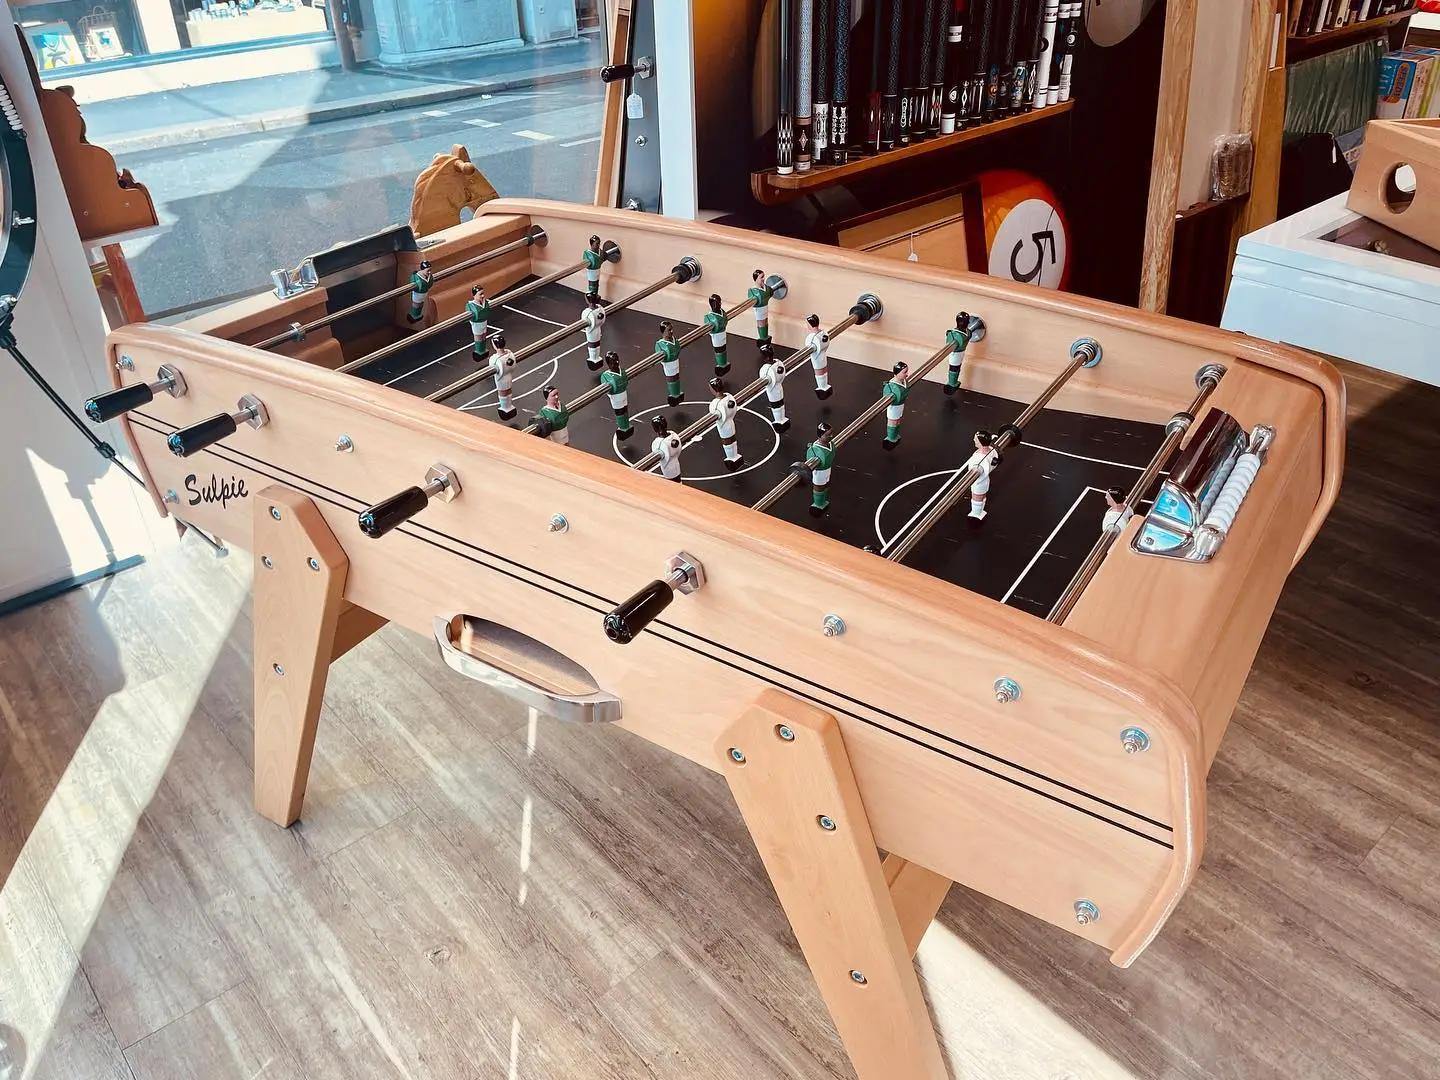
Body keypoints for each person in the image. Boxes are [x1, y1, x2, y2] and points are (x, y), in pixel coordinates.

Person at [707, 377, 745, 471]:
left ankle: (731, 458)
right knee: (732, 439)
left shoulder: (715, 404)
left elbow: (712, 412)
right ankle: (734, 456)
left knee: (727, 440)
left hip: (723, 425)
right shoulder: (729, 396)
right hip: (730, 421)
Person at [966, 430, 1001, 520]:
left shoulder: (980, 459)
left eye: (975, 439)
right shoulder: (992, 451)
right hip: (984, 480)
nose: (974, 440)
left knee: (977, 498)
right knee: (981, 497)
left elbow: (979, 468)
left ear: (981, 442)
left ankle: (976, 514)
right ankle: (979, 511)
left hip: (979, 482)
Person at [757, 341, 790, 432]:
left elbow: (762, 377)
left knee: (776, 404)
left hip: (773, 389)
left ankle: (779, 420)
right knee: (780, 403)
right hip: (779, 386)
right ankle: (781, 418)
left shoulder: (766, 369)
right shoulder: (778, 363)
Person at [599, 350, 633, 440]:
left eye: (617, 360)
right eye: (613, 361)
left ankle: (626, 425)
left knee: (625, 410)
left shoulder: (621, 371)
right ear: (609, 363)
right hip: (616, 397)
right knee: (620, 412)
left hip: (623, 394)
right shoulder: (607, 376)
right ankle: (623, 427)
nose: (616, 362)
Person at [881, 361, 910, 450]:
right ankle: (891, 438)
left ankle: (895, 435)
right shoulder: (891, 386)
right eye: (904, 372)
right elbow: (886, 397)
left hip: (900, 405)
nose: (907, 374)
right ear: (897, 373)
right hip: (893, 407)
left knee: (898, 420)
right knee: (893, 422)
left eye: (906, 372)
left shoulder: (903, 382)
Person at [488, 333, 517, 420]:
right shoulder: (510, 354)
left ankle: (505, 407)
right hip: (508, 375)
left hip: (501, 378)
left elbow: (491, 367)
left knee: (503, 392)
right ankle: (509, 406)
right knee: (508, 391)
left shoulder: (495, 358)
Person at [656, 320, 684, 405]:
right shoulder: (661, 344)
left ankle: (677, 394)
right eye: (669, 330)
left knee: (676, 378)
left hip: (675, 363)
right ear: (663, 332)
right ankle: (674, 395)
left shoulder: (674, 340)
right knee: (672, 379)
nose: (671, 331)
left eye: (672, 329)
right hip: (669, 365)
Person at [805, 313, 831, 399]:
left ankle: (822, 388)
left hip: (816, 357)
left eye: (807, 324)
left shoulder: (811, 338)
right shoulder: (823, 333)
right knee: (823, 370)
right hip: (822, 355)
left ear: (810, 324)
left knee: (819, 371)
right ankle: (824, 386)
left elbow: (807, 346)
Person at [703, 294, 730, 376]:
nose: (719, 304)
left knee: (723, 349)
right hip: (717, 336)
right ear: (712, 304)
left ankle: (723, 364)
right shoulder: (710, 317)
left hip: (722, 334)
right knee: (719, 350)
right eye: (717, 303)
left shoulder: (722, 312)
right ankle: (721, 365)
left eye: (719, 302)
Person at [651, 415, 683, 481]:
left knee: (672, 483)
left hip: (668, 468)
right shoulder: (673, 435)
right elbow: (679, 449)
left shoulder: (657, 443)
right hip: (675, 463)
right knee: (677, 482)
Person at [581, 294, 607, 371]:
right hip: (597, 329)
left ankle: (593, 359)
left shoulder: (587, 313)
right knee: (595, 345)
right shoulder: (600, 309)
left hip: (592, 331)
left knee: (593, 345)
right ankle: (595, 358)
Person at [465, 285, 491, 359]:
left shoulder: (485, 302)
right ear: (474, 295)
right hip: (477, 325)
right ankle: (479, 351)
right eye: (480, 294)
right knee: (479, 338)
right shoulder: (471, 305)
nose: (482, 296)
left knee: (484, 337)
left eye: (483, 293)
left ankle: (483, 350)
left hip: (484, 322)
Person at [749, 270, 775, 342]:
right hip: (759, 309)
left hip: (765, 308)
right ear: (756, 279)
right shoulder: (753, 290)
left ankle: (766, 336)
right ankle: (762, 338)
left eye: (763, 276)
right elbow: (751, 300)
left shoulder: (766, 287)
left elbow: (770, 292)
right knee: (761, 322)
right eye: (761, 277)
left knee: (765, 321)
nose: (763, 279)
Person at [582, 234, 605, 300]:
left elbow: (604, 256)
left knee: (596, 285)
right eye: (597, 243)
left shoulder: (600, 252)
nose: (598, 245)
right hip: (592, 272)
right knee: (592, 286)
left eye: (599, 243)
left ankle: (595, 299)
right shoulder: (587, 254)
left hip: (597, 271)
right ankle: (592, 300)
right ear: (592, 244)